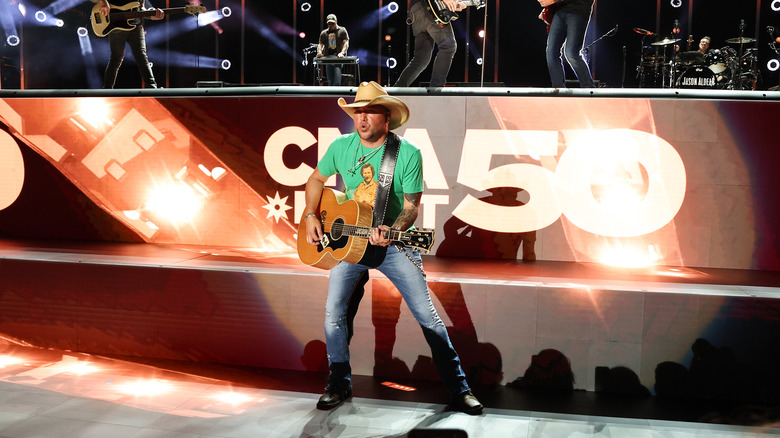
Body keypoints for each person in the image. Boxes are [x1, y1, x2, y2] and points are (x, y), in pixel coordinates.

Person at [301, 81, 483, 414]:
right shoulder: (341, 147)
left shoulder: (407, 153)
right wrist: (311, 214)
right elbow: (315, 179)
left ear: (387, 118)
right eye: (358, 112)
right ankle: (339, 383)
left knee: (428, 317)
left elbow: (412, 205)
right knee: (333, 316)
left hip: (395, 246)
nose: (362, 118)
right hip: (350, 246)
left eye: (370, 111)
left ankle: (459, 388)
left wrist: (394, 229)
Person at [393, 0, 465, 88]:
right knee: (448, 46)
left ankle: (397, 91)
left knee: (421, 59)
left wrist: (457, 4)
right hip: (427, 7)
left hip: (417, 10)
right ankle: (436, 89)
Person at [95, 0, 164, 89]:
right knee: (116, 58)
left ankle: (152, 87)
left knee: (141, 56)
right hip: (116, 25)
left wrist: (154, 15)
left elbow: (141, 8)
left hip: (136, 26)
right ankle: (107, 90)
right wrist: (104, 2)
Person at [537, 0, 596, 88]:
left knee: (571, 53)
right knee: (551, 51)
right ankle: (558, 88)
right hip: (560, 11)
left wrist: (552, 1)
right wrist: (547, 9)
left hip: (578, 11)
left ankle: (588, 87)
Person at [317, 14, 350, 86]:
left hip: (338, 58)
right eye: (329, 24)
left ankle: (337, 95)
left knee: (336, 80)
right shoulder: (324, 33)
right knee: (330, 80)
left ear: (336, 22)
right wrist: (319, 52)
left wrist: (342, 52)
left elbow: (346, 43)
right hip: (328, 58)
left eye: (332, 23)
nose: (330, 25)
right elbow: (320, 44)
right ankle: (331, 96)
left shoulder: (342, 30)